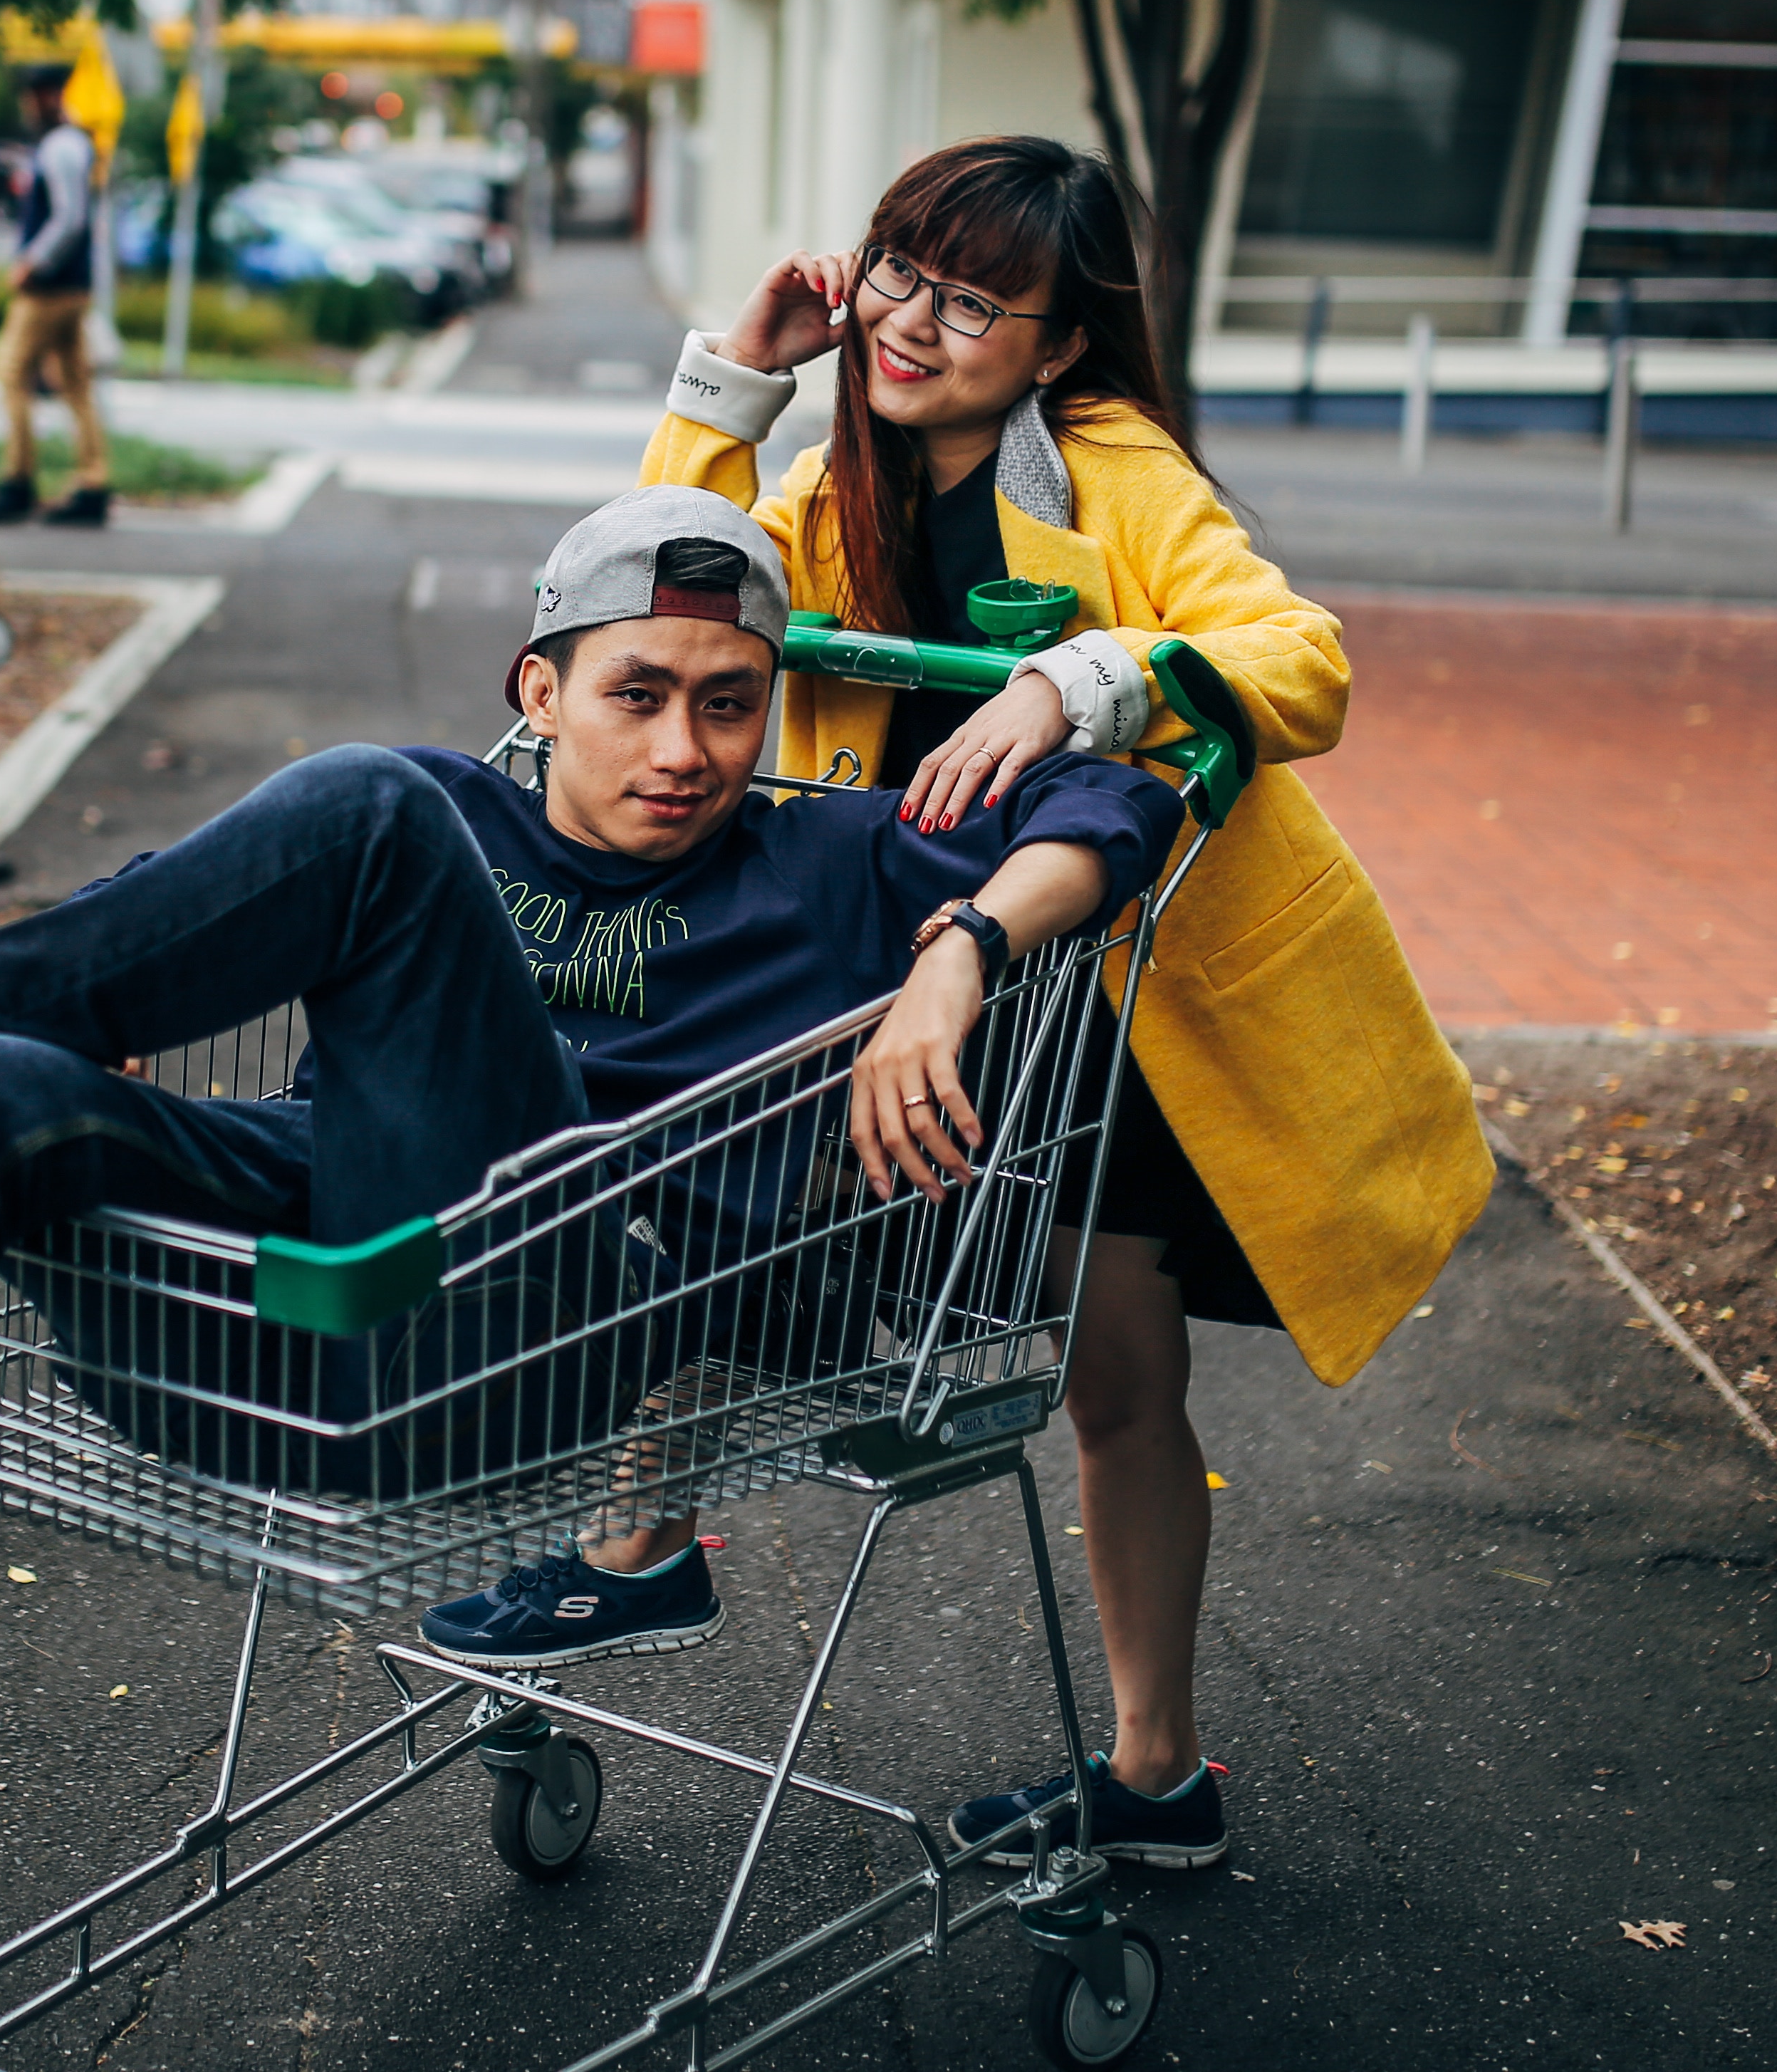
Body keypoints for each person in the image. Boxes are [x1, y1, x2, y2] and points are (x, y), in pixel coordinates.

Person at [0, 488, 1179, 1891]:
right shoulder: (469, 821)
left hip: (563, 1318)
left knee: (364, 812)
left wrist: (956, 951)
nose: (687, 749)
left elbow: (1129, 805)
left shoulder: (834, 862)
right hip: (309, 1310)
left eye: (733, 702)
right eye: (638, 696)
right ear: (542, 685)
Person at [420, 137, 1489, 1877]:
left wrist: (1088, 677)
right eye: (898, 274)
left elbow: (1301, 661)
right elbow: (662, 583)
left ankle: (1152, 1774)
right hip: (899, 953)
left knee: (1115, 1388)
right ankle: (639, 1550)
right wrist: (739, 382)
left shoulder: (1110, 472)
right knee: (721, 1154)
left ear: (1057, 343)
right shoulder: (836, 474)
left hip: (1094, 1004)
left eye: (975, 301)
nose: (914, 324)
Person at [0, 62, 113, 529]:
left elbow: (70, 218)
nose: (28, 105)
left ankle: (17, 481)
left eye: (32, 96)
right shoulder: (72, 144)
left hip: (50, 288)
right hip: (73, 286)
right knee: (76, 384)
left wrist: (32, 262)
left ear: (46, 96)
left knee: (11, 372)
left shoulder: (60, 148)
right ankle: (94, 483)